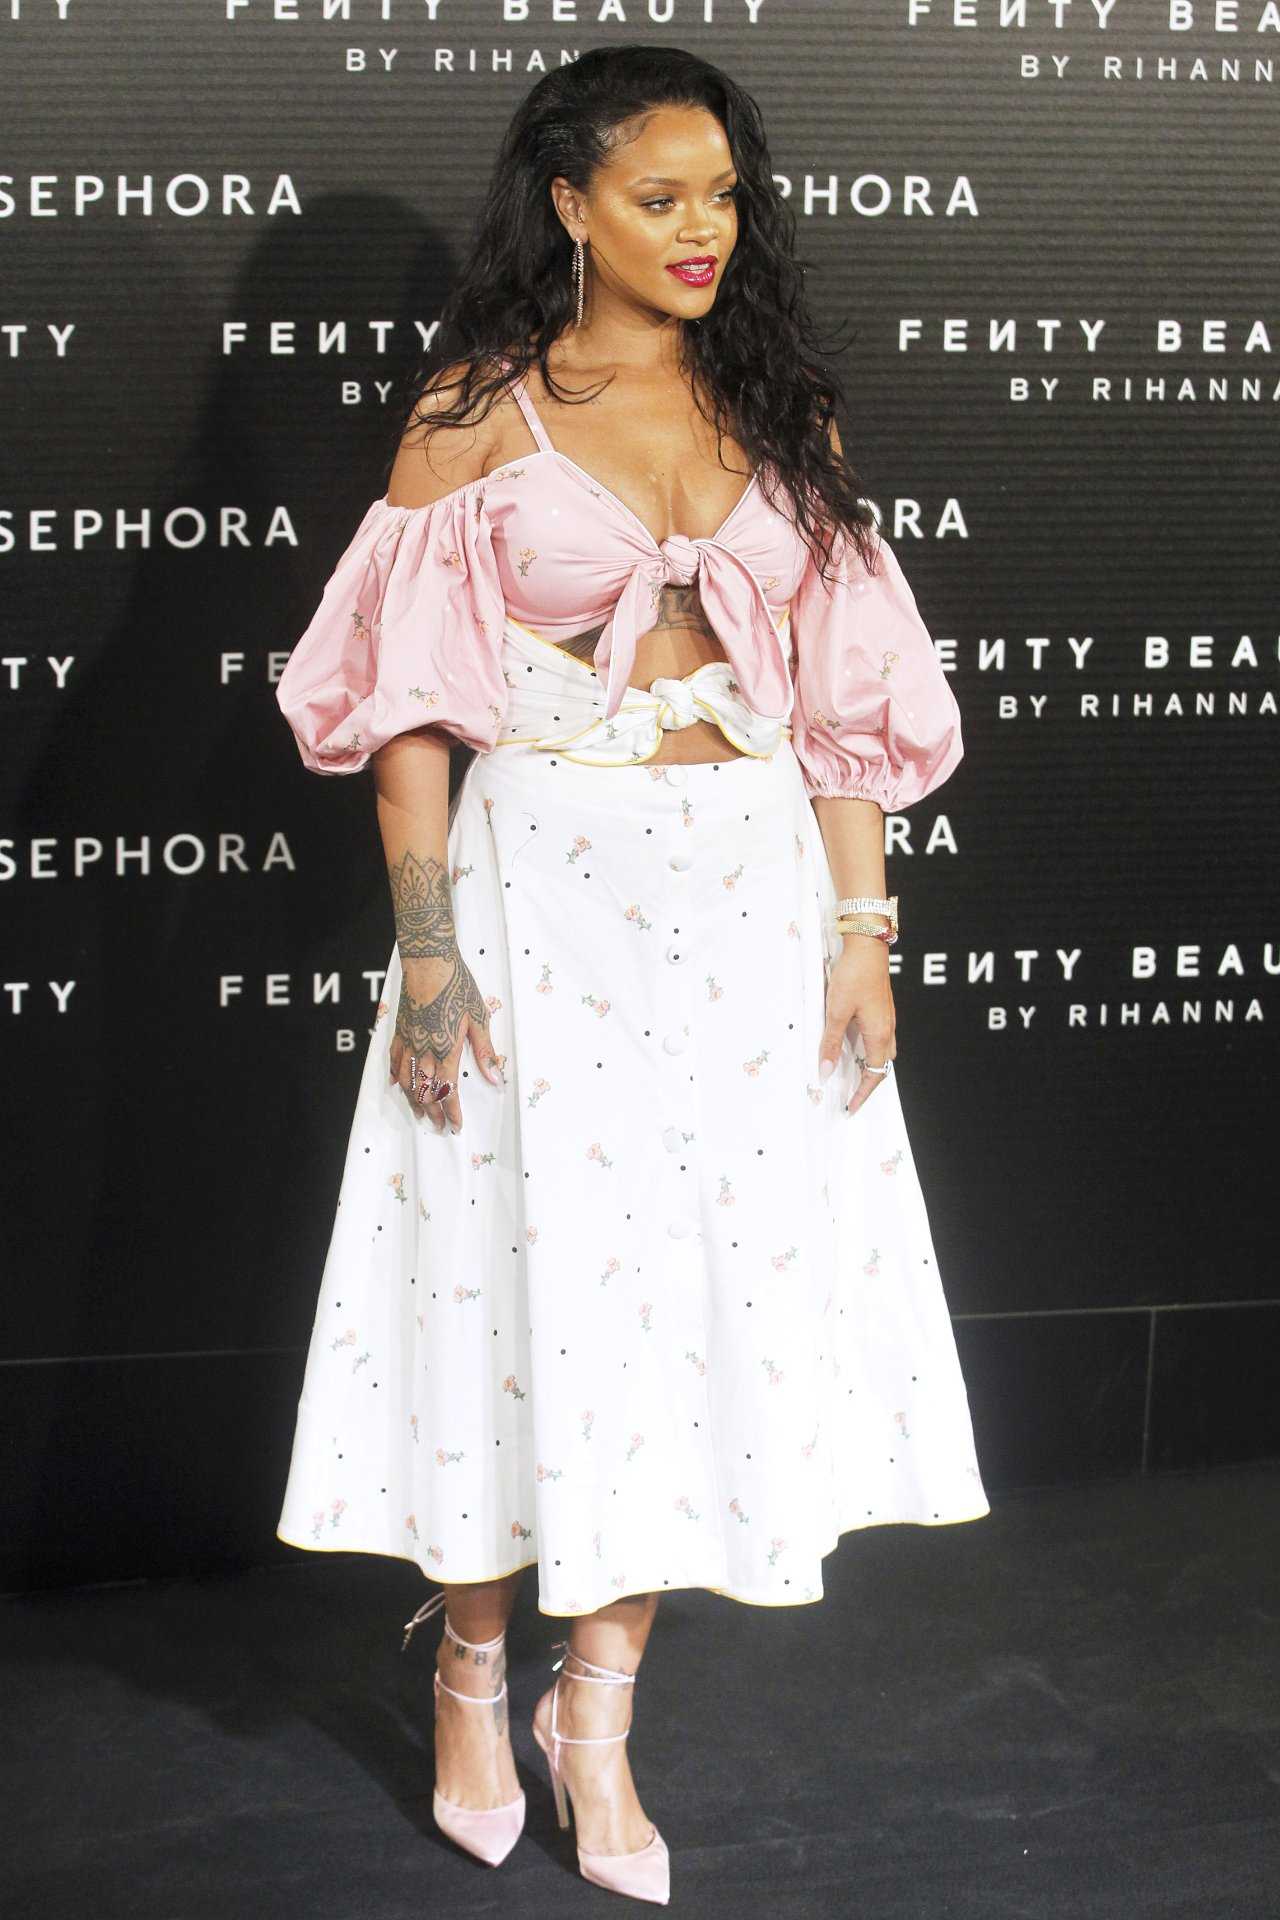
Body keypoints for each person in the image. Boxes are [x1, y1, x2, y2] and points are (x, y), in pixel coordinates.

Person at [273, 44, 990, 1906]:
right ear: (571, 206)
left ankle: (594, 1721)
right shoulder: (477, 412)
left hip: (745, 900)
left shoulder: (778, 409)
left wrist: (862, 934)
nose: (700, 230)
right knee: (503, 1284)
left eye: (723, 196)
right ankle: (471, 1671)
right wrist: (428, 955)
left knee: (682, 1308)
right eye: (660, 196)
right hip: (538, 896)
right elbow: (409, 718)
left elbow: (841, 715)